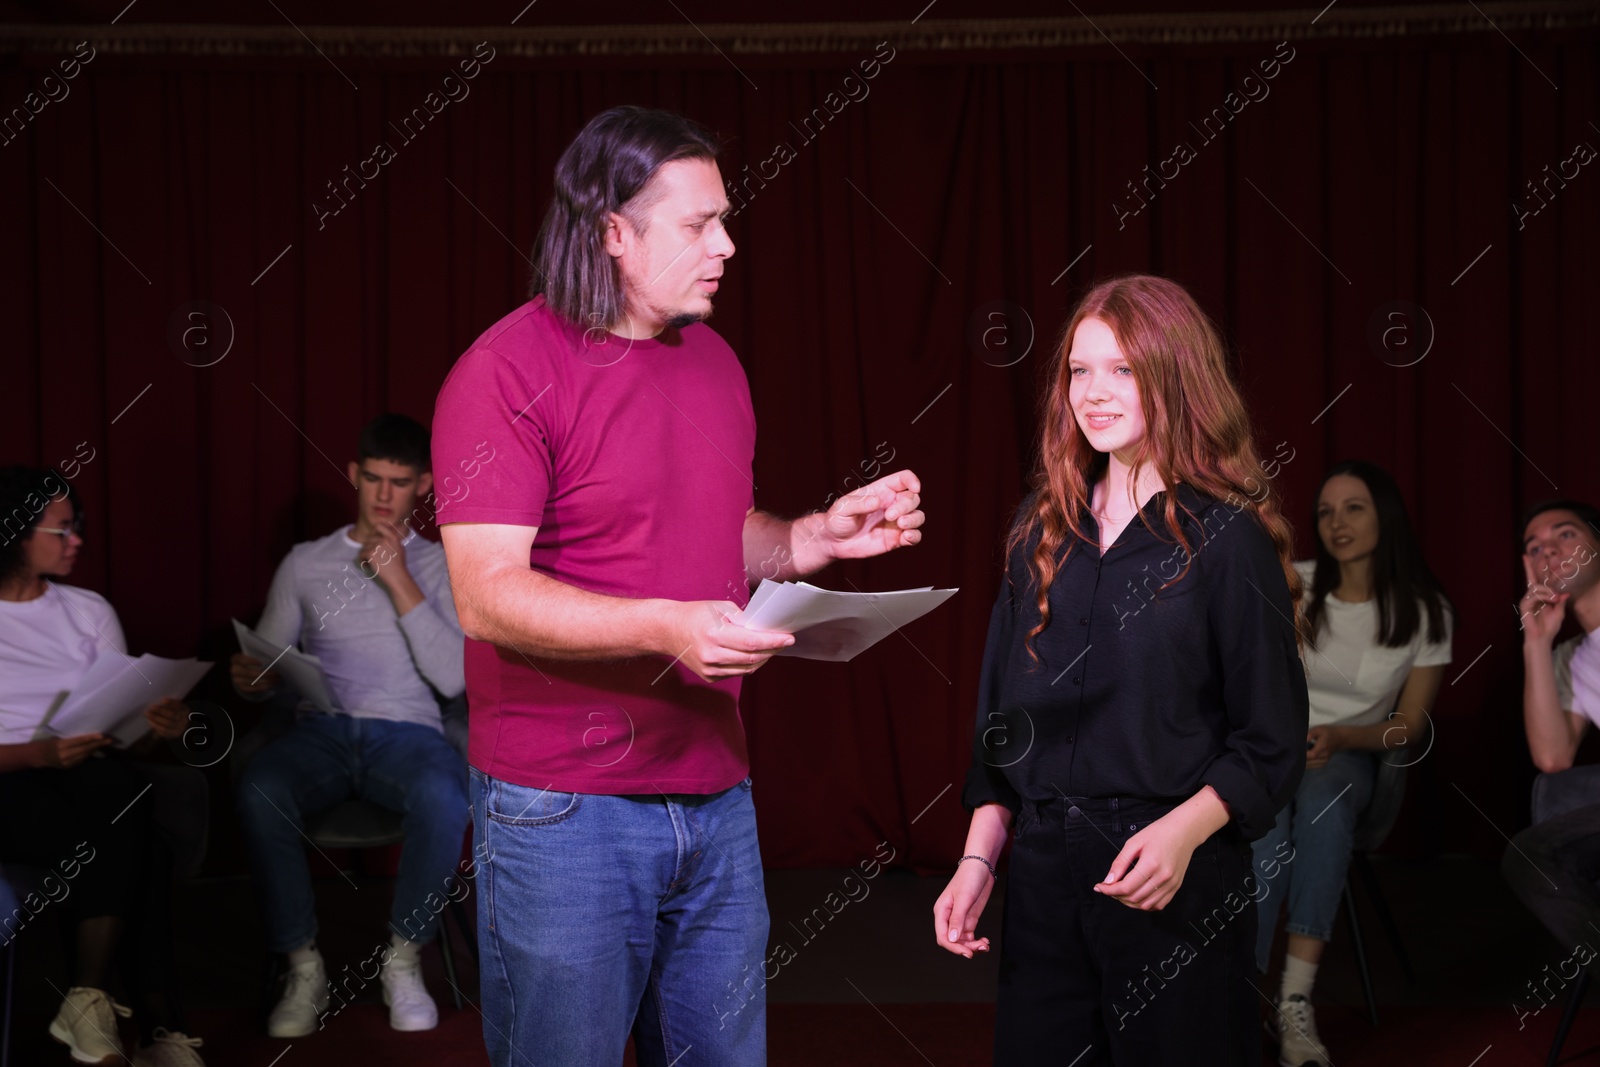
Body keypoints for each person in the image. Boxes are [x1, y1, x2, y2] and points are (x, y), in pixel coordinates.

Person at [430, 105, 926, 1067]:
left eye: (724, 219)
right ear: (613, 232)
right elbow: (486, 594)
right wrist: (667, 627)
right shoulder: (503, 371)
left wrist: (810, 537)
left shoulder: (715, 363)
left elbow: (713, 538)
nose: (728, 245)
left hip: (716, 793)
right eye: (700, 223)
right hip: (561, 809)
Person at [935, 274, 1308, 1066]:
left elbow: (1271, 736)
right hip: (1042, 878)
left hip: (1175, 878)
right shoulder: (1040, 529)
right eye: (1079, 370)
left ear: (1175, 376)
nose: (1093, 394)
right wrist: (977, 860)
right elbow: (1003, 727)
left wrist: (1181, 831)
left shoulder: (1226, 537)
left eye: (1122, 370)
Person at [231, 413, 469, 1037]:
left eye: (398, 482)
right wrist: (257, 679)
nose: (383, 496)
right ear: (353, 475)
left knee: (446, 795)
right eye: (372, 480)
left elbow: (453, 680)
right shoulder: (305, 563)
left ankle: (403, 958)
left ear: (424, 485)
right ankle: (303, 966)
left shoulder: (442, 566)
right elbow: (271, 662)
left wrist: (397, 578)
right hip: (323, 732)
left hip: (411, 736)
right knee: (260, 788)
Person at [0, 466, 207, 1067]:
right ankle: (158, 1022)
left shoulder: (88, 611)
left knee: (119, 789)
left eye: (78, 527)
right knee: (140, 838)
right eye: (63, 530)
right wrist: (34, 754)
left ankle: (89, 1002)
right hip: (8, 782)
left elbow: (121, 733)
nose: (78, 541)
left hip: (85, 780)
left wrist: (156, 726)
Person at [1251, 461, 1453, 1067]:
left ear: (1384, 516)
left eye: (1354, 507)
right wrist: (1284, 737)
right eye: (1326, 511)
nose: (1337, 522)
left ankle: (1293, 1001)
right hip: (1274, 753)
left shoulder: (1424, 610)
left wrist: (1340, 736)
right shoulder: (1296, 584)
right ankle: (1240, 993)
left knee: (1325, 806)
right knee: (1264, 832)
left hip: (1354, 759)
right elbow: (1248, 678)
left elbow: (1409, 726)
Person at [1503, 499, 1600, 988]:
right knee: (1529, 854)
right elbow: (1552, 756)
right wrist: (1536, 643)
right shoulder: (1574, 660)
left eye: (1565, 535)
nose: (1549, 552)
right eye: (1534, 547)